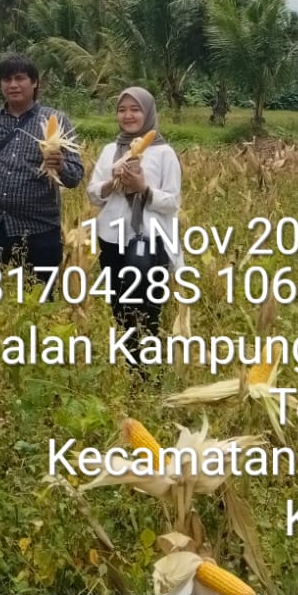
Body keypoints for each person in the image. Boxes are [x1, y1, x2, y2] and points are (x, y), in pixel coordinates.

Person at [0, 52, 83, 286]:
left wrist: (61, 166)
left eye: (20, 78)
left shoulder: (57, 120)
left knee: (40, 296)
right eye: (6, 79)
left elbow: (75, 176)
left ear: (34, 83)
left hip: (38, 230)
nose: (13, 85)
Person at [86, 86, 182, 380]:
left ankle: (151, 374)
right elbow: (93, 194)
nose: (128, 116)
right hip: (112, 239)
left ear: (148, 113)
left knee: (148, 309)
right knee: (120, 307)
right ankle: (132, 369)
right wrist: (111, 183)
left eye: (135, 109)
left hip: (150, 241)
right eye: (122, 110)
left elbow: (172, 202)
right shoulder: (109, 150)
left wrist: (143, 188)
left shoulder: (164, 153)